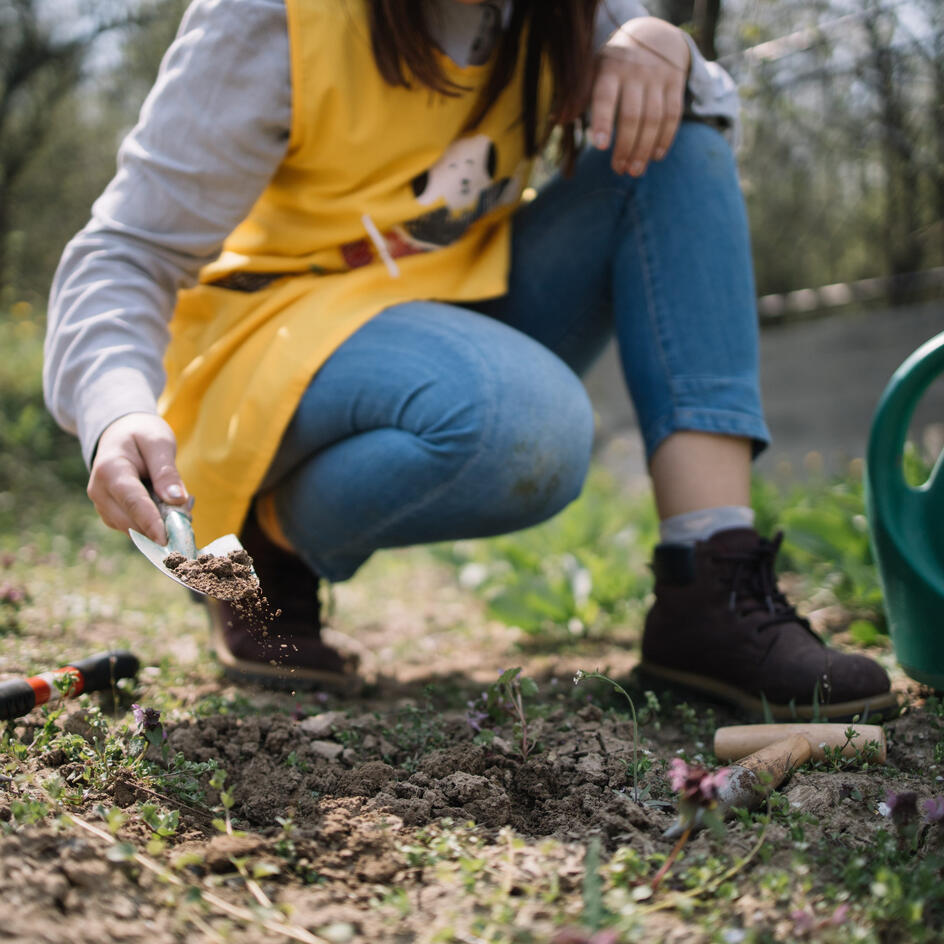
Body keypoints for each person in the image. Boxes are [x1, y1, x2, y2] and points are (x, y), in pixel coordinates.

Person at [44, 0, 897, 719]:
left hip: (455, 303)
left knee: (672, 128)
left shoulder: (569, 13)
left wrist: (660, 45)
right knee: (527, 423)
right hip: (265, 336)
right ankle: (258, 549)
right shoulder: (276, 16)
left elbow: (696, 112)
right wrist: (116, 409)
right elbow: (128, 250)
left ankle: (709, 584)